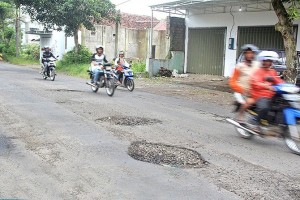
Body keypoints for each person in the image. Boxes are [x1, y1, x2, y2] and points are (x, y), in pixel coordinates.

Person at [249, 51, 284, 132]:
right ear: (263, 61)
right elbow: (255, 82)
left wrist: (285, 86)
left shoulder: (272, 71)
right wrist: (266, 86)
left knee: (281, 106)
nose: (268, 63)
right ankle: (256, 124)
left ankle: (274, 124)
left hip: (271, 95)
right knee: (264, 107)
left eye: (270, 61)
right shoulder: (258, 71)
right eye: (266, 61)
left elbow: (278, 81)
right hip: (260, 95)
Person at [229, 44, 260, 123]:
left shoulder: (257, 65)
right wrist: (241, 90)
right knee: (246, 103)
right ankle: (240, 115)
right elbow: (232, 81)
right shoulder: (239, 66)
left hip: (255, 91)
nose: (249, 55)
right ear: (244, 54)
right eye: (247, 53)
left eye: (251, 53)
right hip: (242, 92)